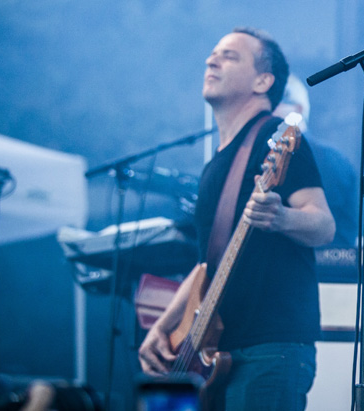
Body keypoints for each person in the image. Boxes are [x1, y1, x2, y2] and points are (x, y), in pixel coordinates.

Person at [138, 27, 335, 411]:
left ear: (264, 80)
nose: (212, 60)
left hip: (266, 348)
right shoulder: (216, 165)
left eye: (229, 56)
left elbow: (323, 224)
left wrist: (280, 217)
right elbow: (205, 266)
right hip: (212, 353)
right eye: (213, 54)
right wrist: (162, 328)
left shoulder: (275, 140)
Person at [274, 74, 359, 248]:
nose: (268, 110)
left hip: (325, 269)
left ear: (297, 109)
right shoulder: (279, 152)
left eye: (275, 102)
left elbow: (328, 225)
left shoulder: (325, 158)